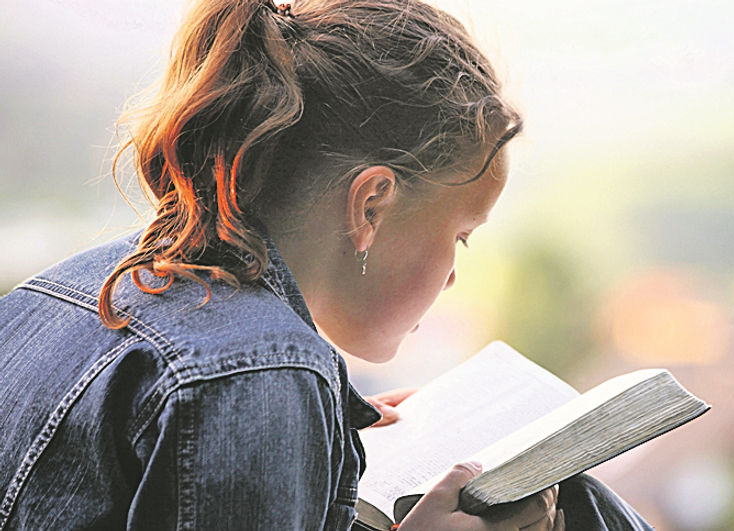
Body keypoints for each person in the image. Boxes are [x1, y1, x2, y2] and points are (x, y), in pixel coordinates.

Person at [0, 0, 656, 530]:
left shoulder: (62, 289)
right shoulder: (265, 374)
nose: (454, 274)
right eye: (461, 236)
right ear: (370, 205)